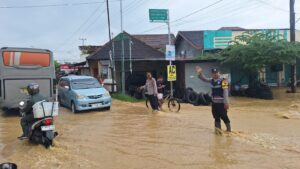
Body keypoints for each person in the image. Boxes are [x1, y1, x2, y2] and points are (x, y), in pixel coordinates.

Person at [195, 66, 231, 134]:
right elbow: (204, 79)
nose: (215, 74)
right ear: (212, 74)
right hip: (214, 103)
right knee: (216, 117)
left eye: (216, 73)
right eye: (214, 73)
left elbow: (225, 92)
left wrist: (226, 103)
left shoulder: (224, 81)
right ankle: (218, 131)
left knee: (224, 116)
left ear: (219, 73)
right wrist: (200, 73)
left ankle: (229, 131)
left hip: (221, 103)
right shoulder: (211, 80)